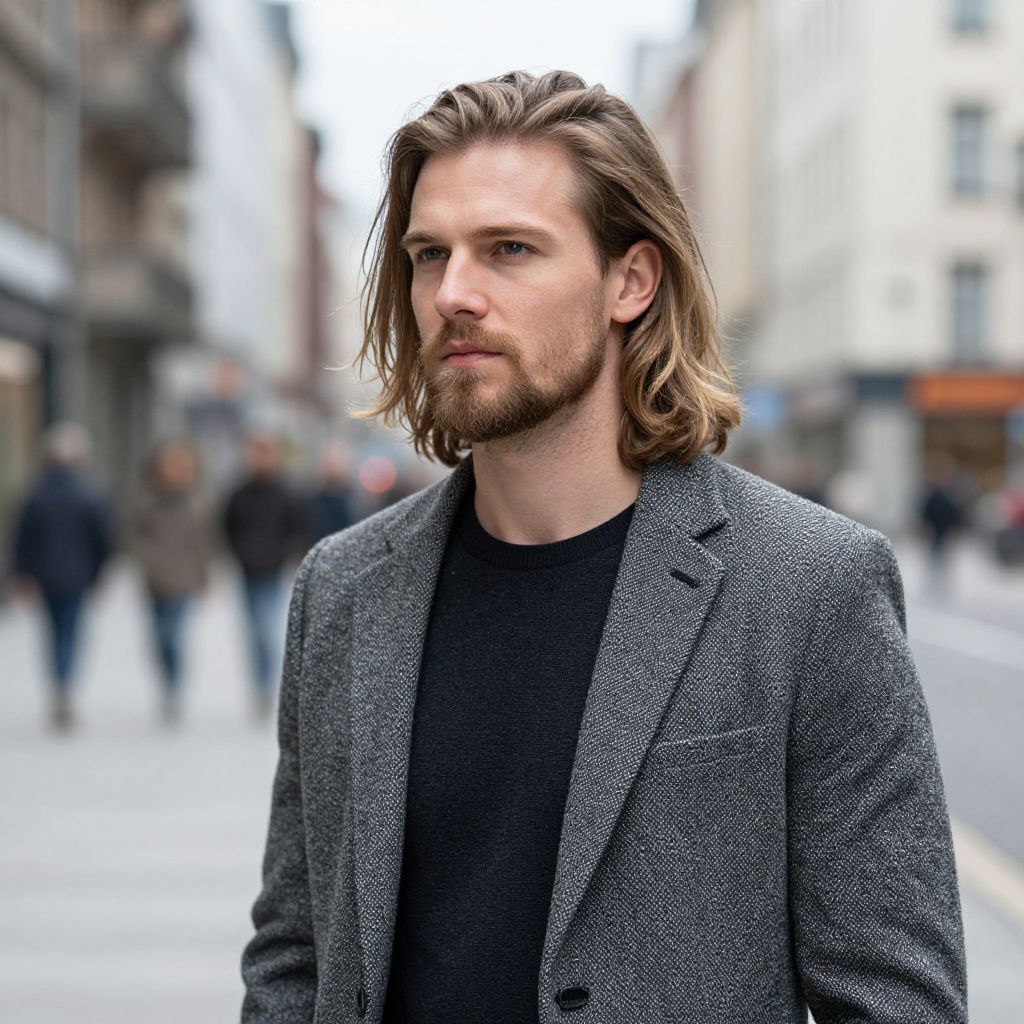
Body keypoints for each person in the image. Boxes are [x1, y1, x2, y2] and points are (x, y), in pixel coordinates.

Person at [240, 71, 966, 1023]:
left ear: (631, 280)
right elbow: (295, 956)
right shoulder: (342, 590)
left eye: (508, 249)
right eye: (429, 255)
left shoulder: (810, 588)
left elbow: (898, 999)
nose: (454, 294)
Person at [8, 422, 113, 731]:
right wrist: (98, 574)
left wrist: (21, 574)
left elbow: (21, 539)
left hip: (47, 577)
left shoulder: (35, 493)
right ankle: (65, 684)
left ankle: (59, 683)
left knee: (53, 632)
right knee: (70, 631)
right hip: (77, 576)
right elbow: (103, 540)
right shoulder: (90, 492)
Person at [129, 439, 211, 723]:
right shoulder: (147, 500)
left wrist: (203, 578)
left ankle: (174, 688)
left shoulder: (194, 501)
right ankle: (166, 683)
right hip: (155, 579)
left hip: (183, 579)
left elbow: (202, 543)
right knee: (158, 636)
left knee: (174, 635)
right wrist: (146, 561)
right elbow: (134, 536)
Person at [223, 433, 301, 720]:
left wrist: (286, 555)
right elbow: (228, 525)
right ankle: (258, 685)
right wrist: (238, 554)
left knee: (267, 630)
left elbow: (294, 525)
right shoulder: (239, 493)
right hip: (247, 570)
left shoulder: (284, 492)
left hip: (272, 569)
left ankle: (265, 687)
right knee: (253, 631)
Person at [302, 439, 359, 547]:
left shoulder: (354, 501)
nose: (332, 468)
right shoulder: (311, 500)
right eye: (329, 463)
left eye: (336, 463)